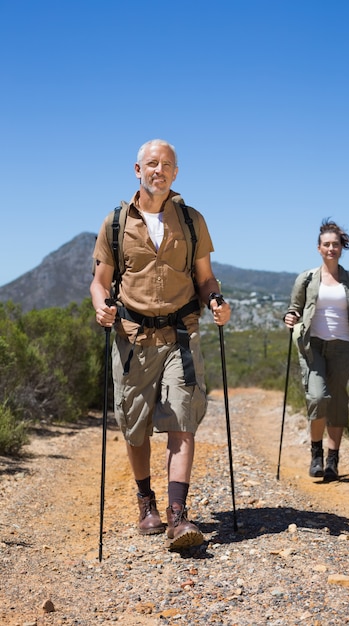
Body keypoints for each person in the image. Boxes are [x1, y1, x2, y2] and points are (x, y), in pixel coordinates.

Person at [90, 139, 231, 550]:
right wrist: (103, 308)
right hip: (133, 338)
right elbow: (100, 284)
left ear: (176, 172)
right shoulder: (115, 224)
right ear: (138, 170)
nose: (159, 170)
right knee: (134, 427)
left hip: (181, 334)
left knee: (181, 420)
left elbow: (206, 278)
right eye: (152, 163)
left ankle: (177, 515)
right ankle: (145, 502)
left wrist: (216, 301)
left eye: (167, 164)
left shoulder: (191, 220)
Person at [284, 219, 349, 482]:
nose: (331, 248)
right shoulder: (307, 279)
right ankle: (316, 453)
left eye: (335, 244)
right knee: (318, 397)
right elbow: (294, 308)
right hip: (313, 345)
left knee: (338, 401)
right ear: (319, 248)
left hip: (343, 345)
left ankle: (332, 460)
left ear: (341, 248)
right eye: (326, 244)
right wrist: (290, 317)